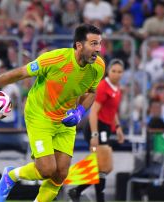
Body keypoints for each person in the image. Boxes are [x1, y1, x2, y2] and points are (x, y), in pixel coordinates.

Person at [0, 24, 105, 202]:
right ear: (79, 45)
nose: (98, 49)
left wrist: (80, 111)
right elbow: (21, 73)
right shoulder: (55, 59)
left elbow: (91, 93)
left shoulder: (98, 67)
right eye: (93, 44)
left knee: (60, 174)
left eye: (99, 44)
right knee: (47, 169)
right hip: (40, 114)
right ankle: (11, 175)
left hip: (66, 119)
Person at [68, 59, 125, 202]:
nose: (117, 74)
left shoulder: (117, 89)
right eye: (114, 71)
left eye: (119, 72)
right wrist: (94, 135)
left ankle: (77, 190)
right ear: (108, 71)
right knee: (104, 166)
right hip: (96, 127)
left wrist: (117, 127)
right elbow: (93, 112)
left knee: (104, 167)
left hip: (106, 128)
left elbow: (112, 111)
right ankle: (98, 198)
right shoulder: (104, 87)